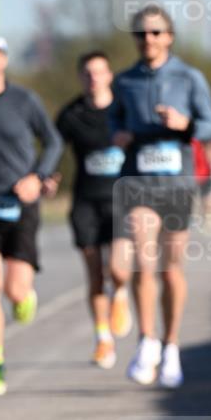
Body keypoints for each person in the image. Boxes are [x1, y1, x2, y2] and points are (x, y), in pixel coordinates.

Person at [109, 4, 211, 388]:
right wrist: (118, 135)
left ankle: (171, 346)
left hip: (177, 184)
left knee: (170, 270)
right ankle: (147, 342)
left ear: (169, 37)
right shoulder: (124, 82)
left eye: (156, 33)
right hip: (138, 182)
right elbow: (114, 121)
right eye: (141, 34)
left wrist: (184, 124)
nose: (148, 40)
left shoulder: (190, 77)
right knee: (143, 258)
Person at [0, 33, 62, 395]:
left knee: (14, 288)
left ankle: (25, 297)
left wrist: (37, 177)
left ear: (4, 60)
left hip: (21, 202)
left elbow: (52, 141)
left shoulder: (24, 100)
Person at [56, 51, 132, 369]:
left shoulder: (125, 109)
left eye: (99, 72)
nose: (93, 78)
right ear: (81, 77)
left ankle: (122, 294)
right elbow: (53, 149)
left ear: (109, 75)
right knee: (95, 274)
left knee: (117, 269)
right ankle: (103, 339)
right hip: (85, 201)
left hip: (122, 200)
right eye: (87, 73)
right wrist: (48, 175)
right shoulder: (71, 114)